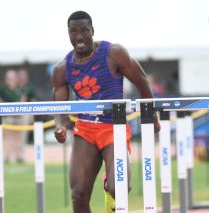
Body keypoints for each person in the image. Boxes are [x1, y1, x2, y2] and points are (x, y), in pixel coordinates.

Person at [51, 11, 160, 213]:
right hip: (85, 130)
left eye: (84, 30)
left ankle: (108, 187)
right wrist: (60, 126)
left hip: (113, 127)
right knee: (78, 194)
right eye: (73, 32)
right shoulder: (62, 68)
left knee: (118, 188)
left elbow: (142, 81)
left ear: (92, 31)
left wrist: (151, 114)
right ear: (68, 34)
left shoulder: (113, 53)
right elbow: (60, 107)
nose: (79, 36)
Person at [0, 70, 29, 163]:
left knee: (21, 137)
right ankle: (6, 157)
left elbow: (23, 99)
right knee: (6, 137)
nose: (11, 80)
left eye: (13, 78)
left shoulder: (20, 88)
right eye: (9, 78)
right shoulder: (3, 89)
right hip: (7, 116)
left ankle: (20, 156)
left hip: (19, 116)